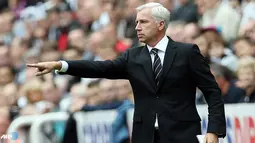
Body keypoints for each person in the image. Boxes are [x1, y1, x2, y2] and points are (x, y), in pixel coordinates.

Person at [27, 2, 226, 143]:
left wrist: (214, 130)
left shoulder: (186, 52)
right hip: (144, 135)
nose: (137, 27)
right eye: (137, 22)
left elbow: (212, 92)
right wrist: (61, 65)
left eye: (143, 22)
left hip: (183, 135)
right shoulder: (133, 56)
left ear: (161, 24)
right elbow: (100, 68)